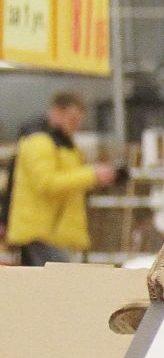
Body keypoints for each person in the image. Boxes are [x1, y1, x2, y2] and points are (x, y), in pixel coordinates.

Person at [6, 91, 118, 266]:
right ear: (56, 112)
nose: (75, 125)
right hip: (43, 232)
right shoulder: (40, 142)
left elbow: (67, 181)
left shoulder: (65, 145)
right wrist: (91, 175)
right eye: (72, 119)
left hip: (55, 231)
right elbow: (47, 183)